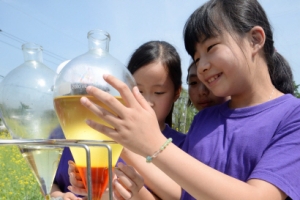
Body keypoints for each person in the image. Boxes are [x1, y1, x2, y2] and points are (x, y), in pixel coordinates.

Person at [77, 0, 300, 199]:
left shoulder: (292, 116)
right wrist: (122, 140)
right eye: (196, 57)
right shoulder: (204, 120)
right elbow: (182, 192)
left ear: (255, 39)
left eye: (211, 47)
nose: (202, 66)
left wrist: (154, 143)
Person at [68, 40, 185, 199]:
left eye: (158, 92)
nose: (147, 101)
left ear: (176, 93)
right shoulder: (107, 136)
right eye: (139, 91)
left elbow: (179, 196)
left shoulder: (184, 147)